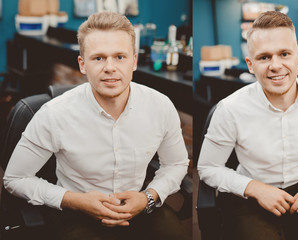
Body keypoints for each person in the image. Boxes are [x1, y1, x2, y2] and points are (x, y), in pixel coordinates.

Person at [4, 12, 191, 240]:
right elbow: (15, 179)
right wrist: (75, 200)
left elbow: (177, 163)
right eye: (99, 58)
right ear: (83, 64)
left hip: (139, 204)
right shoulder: (54, 114)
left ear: (134, 61)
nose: (110, 67)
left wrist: (148, 196)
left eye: (120, 57)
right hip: (74, 210)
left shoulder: (160, 107)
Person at [198, 11, 298, 240]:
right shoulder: (230, 109)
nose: (275, 65)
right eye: (264, 57)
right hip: (251, 197)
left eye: (284, 54)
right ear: (250, 64)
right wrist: (255, 188)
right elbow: (208, 168)